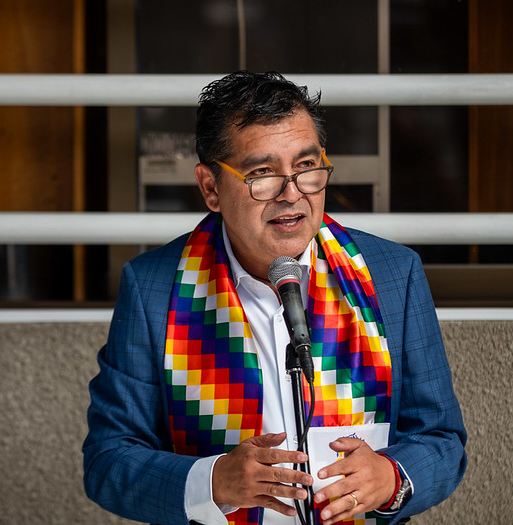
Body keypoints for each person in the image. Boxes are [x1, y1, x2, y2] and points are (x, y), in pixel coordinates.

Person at [83, 71, 466, 525]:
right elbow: (108, 460)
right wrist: (212, 481)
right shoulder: (153, 287)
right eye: (261, 174)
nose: (292, 194)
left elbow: (442, 441)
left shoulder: (392, 274)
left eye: (306, 166)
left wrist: (391, 478)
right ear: (210, 188)